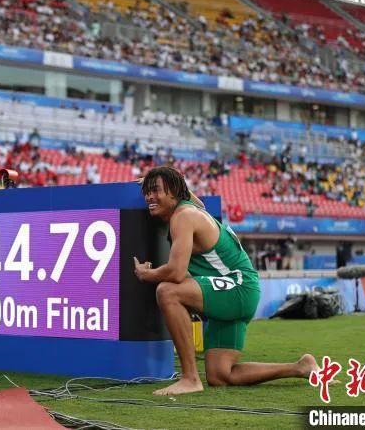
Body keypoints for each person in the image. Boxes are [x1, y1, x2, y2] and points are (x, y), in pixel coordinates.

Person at [133, 166, 320, 395]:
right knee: (220, 375)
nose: (149, 197)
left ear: (173, 191)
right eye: (147, 192)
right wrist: (159, 179)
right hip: (239, 289)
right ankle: (301, 367)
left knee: (167, 291)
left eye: (155, 190)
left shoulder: (184, 216)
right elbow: (194, 199)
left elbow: (176, 273)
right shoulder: (193, 208)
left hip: (238, 288)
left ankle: (190, 378)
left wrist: (146, 274)